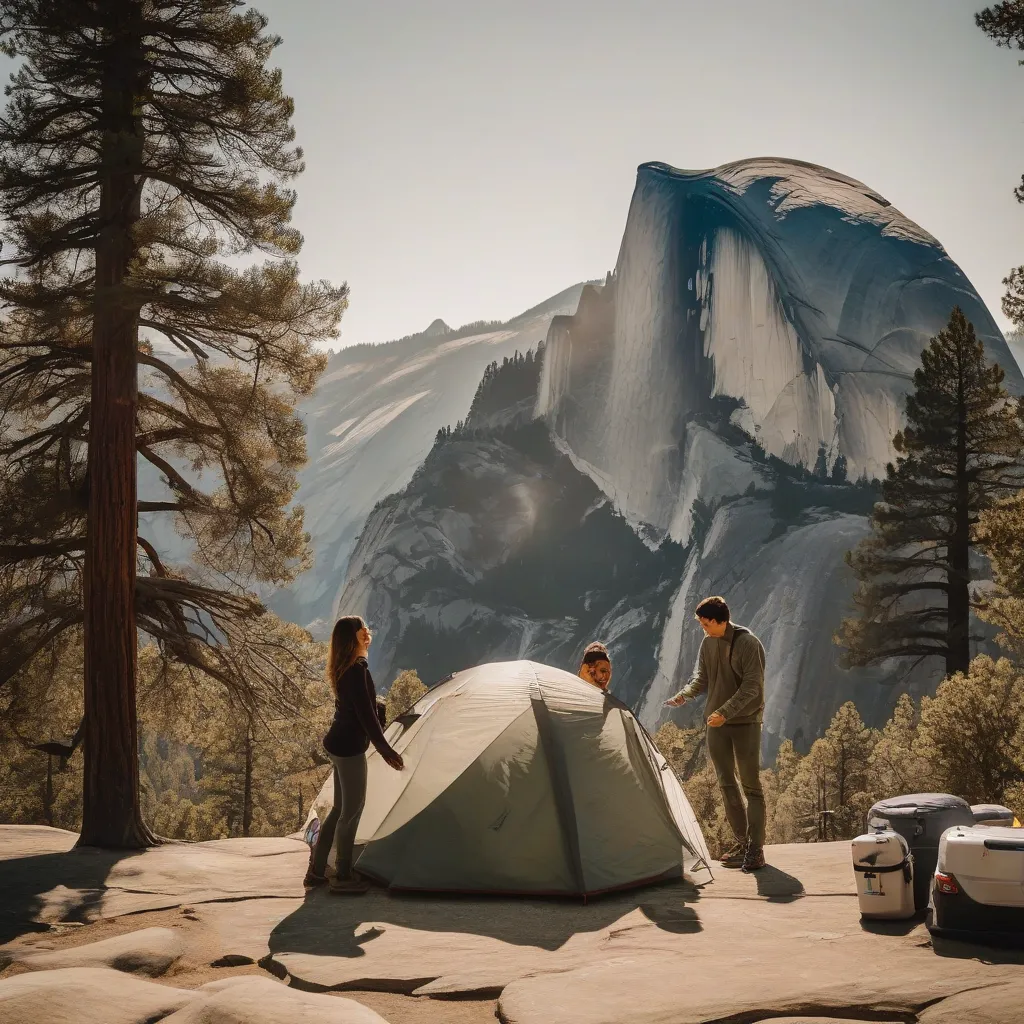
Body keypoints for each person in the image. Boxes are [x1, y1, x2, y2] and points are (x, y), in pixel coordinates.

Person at [663, 596, 767, 872]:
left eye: (706, 623)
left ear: (720, 621)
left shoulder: (747, 643)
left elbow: (752, 687)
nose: (703, 628)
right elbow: (702, 678)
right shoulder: (708, 643)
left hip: (744, 723)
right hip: (716, 723)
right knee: (726, 783)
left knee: (751, 786)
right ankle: (743, 843)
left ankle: (756, 850)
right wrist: (683, 696)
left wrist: (726, 712)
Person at [305, 616, 404, 894]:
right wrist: (386, 751)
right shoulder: (357, 669)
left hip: (337, 743)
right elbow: (366, 718)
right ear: (355, 637)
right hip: (349, 748)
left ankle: (317, 870)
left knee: (339, 809)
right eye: (363, 630)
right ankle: (343, 874)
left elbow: (358, 709)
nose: (368, 632)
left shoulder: (343, 667)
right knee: (352, 810)